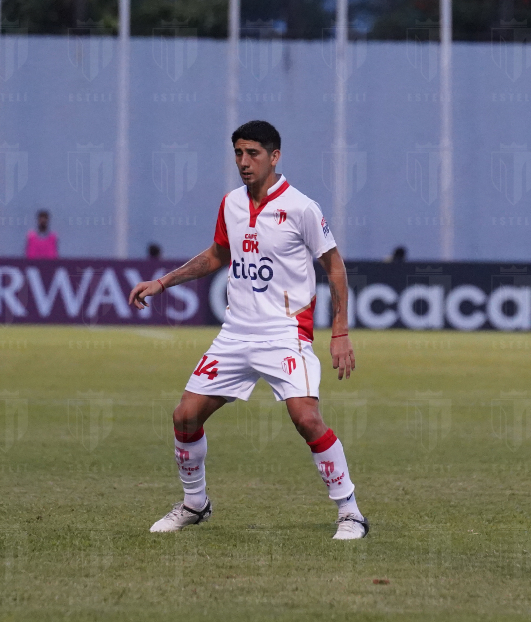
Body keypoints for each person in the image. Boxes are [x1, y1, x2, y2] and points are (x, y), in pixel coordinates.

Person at [128, 120, 368, 540]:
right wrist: (163, 282)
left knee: (307, 418)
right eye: (238, 153)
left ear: (274, 157)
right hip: (236, 333)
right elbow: (218, 254)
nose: (244, 162)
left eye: (253, 153)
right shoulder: (231, 204)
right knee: (184, 416)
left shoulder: (301, 208)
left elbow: (334, 267)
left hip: (285, 333)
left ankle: (350, 513)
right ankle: (194, 504)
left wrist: (341, 332)